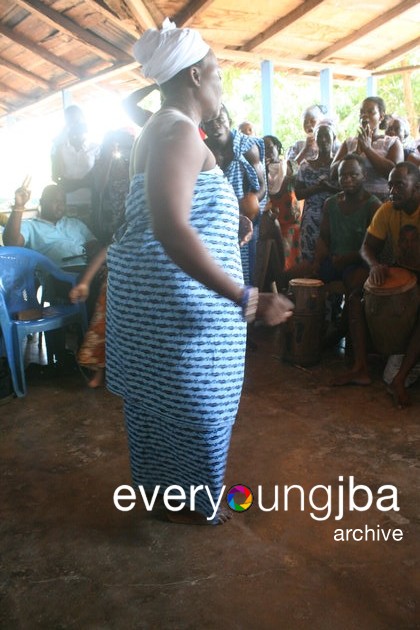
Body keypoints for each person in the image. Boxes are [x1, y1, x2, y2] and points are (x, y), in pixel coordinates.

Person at [106, 19, 293, 525]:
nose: (219, 82)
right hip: (179, 307)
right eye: (214, 71)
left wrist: (223, 219)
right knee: (201, 406)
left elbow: (165, 211)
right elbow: (169, 228)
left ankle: (164, 499)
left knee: (160, 405)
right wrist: (246, 297)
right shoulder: (175, 132)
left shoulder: (164, 129)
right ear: (192, 76)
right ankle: (197, 505)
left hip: (156, 299)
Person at [333, 162, 420, 408]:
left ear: (417, 188)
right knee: (355, 297)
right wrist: (374, 266)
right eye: (390, 184)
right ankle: (360, 367)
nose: (392, 190)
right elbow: (366, 247)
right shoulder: (387, 210)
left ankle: (400, 378)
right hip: (402, 271)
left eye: (399, 185)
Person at [202, 103, 267, 284]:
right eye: (210, 122)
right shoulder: (200, 150)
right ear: (202, 126)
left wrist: (252, 200)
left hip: (244, 220)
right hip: (213, 222)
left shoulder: (246, 147)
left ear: (229, 121)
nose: (216, 126)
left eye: (220, 120)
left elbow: (262, 186)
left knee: (244, 275)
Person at [3, 183, 98, 266]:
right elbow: (12, 244)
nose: (60, 206)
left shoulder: (75, 223)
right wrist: (18, 206)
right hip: (55, 277)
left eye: (63, 202)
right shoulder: (30, 226)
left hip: (87, 271)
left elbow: (94, 244)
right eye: (56, 201)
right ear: (42, 202)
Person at [332, 97, 404, 202]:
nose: (364, 116)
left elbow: (394, 172)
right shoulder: (349, 143)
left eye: (371, 112)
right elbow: (333, 173)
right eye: (362, 112)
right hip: (352, 201)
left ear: (381, 116)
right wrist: (355, 155)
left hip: (382, 201)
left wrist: (367, 149)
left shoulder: (392, 142)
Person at [295, 120, 338, 261]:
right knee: (309, 258)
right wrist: (318, 188)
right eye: (320, 136)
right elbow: (299, 194)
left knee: (331, 258)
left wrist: (328, 188)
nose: (323, 140)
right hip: (311, 219)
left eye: (327, 136)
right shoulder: (305, 166)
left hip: (334, 217)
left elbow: (346, 190)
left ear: (334, 138)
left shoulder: (339, 166)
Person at [263, 134, 301, 270]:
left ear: (277, 147)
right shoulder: (259, 169)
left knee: (289, 260)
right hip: (270, 222)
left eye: (270, 147)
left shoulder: (289, 165)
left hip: (290, 221)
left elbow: (295, 180)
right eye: (263, 148)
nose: (267, 151)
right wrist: (264, 170)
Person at [51, 118, 100, 223]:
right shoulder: (60, 149)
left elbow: (97, 177)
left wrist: (71, 185)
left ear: (85, 132)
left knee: (89, 231)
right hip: (67, 200)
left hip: (90, 200)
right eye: (72, 132)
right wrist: (83, 183)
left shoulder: (95, 148)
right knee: (70, 231)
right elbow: (55, 176)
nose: (75, 136)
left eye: (79, 132)